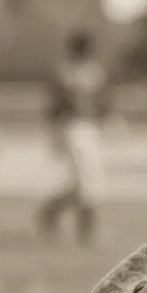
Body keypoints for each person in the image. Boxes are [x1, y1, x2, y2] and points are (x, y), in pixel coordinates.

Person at [37, 29, 112, 247]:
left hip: (88, 128)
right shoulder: (65, 74)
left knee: (86, 183)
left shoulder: (93, 73)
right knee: (88, 182)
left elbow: (102, 104)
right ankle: (85, 233)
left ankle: (51, 210)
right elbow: (54, 108)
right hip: (71, 129)